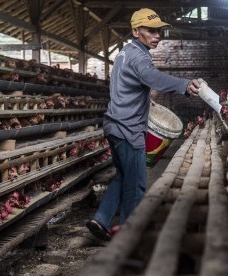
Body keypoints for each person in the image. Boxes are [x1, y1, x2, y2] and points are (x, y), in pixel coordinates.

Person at [86, 8, 200, 241]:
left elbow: (128, 86)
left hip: (113, 125)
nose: (157, 36)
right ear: (136, 31)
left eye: (159, 31)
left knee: (123, 176)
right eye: (151, 30)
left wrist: (144, 100)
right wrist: (185, 84)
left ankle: (101, 219)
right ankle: (128, 235)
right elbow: (153, 78)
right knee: (137, 184)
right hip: (129, 130)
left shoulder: (125, 53)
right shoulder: (140, 56)